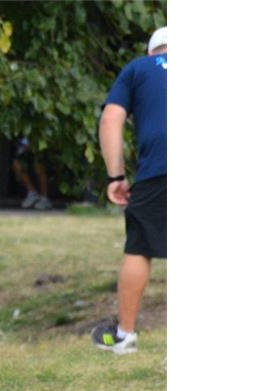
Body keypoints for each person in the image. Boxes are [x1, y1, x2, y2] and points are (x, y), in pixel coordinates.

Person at [92, 26, 167, 354]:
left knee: (139, 246)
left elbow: (110, 120)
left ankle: (124, 336)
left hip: (159, 171)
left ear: (153, 52)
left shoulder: (137, 69)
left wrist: (116, 177)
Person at [12, 137, 53, 209]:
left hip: (40, 141)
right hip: (24, 142)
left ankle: (44, 198)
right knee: (16, 164)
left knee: (39, 165)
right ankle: (32, 192)